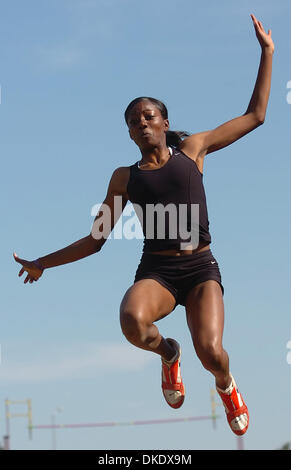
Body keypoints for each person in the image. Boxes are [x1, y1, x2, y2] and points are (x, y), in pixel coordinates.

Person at [14, 14, 274, 436]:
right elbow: (96, 241)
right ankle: (169, 354)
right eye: (134, 121)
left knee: (211, 353)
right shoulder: (124, 178)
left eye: (149, 116)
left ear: (165, 123)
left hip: (200, 268)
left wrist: (267, 53)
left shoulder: (193, 150)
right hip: (158, 271)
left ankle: (226, 386)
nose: (142, 122)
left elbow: (256, 115)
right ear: (130, 133)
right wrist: (43, 262)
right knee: (132, 320)